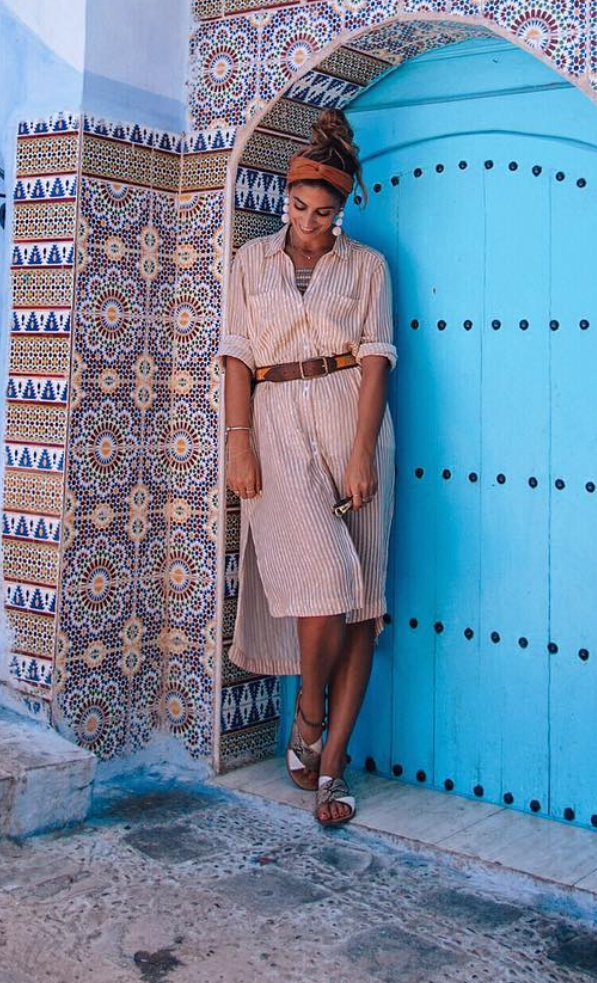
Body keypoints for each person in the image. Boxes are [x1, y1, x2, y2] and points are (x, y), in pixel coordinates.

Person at [219, 108, 396, 828]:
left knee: (364, 603)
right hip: (275, 417)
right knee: (326, 578)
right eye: (298, 207)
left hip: (350, 413)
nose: (310, 223)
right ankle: (306, 710)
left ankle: (330, 766)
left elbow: (378, 355)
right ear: (282, 199)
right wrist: (237, 437)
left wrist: (361, 451)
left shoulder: (367, 266)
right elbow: (234, 350)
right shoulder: (248, 263)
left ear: (343, 208)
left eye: (324, 212)